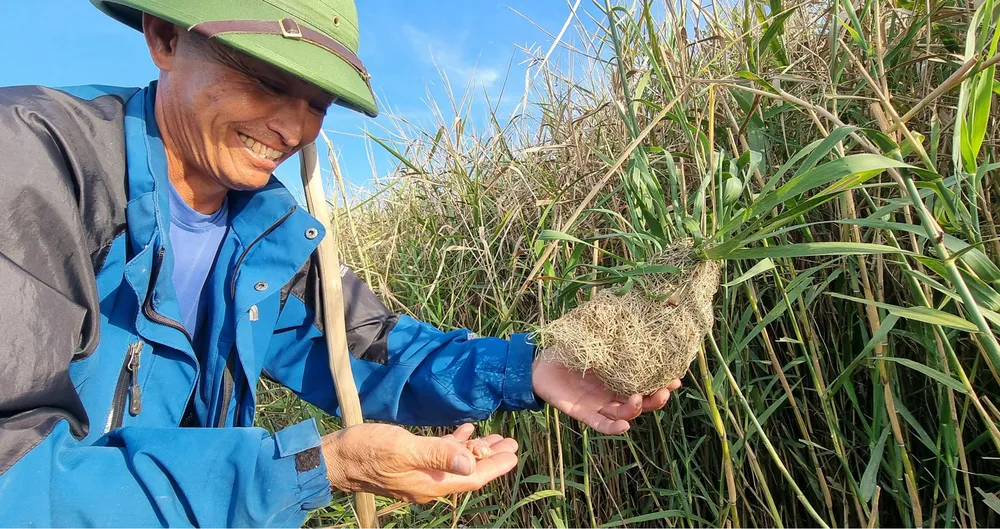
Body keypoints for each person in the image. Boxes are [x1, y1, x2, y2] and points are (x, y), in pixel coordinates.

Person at [0, 0, 682, 526]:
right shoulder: (36, 172)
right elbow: (17, 484)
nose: (293, 127)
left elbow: (375, 350)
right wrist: (317, 467)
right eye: (268, 79)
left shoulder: (262, 234)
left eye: (318, 101)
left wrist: (532, 366)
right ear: (165, 38)